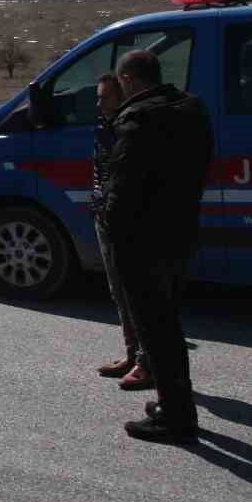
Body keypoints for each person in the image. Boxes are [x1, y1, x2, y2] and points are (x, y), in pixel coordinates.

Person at [101, 49, 213, 445]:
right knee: (168, 325)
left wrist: (111, 229)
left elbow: (122, 190)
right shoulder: (191, 109)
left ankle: (177, 418)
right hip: (181, 230)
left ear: (128, 80)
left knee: (156, 330)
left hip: (142, 241)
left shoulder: (138, 120)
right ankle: (172, 404)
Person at [88, 73, 150, 390]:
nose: (99, 104)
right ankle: (132, 353)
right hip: (104, 215)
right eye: (98, 97)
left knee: (135, 292)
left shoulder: (132, 127)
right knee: (117, 291)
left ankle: (147, 361)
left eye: (105, 97)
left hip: (126, 220)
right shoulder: (104, 127)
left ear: (122, 96)